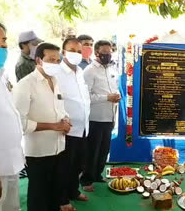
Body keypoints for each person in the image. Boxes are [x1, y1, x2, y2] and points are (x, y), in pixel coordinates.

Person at [13, 43, 74, 211]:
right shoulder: (25, 85)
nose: (55, 63)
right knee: (39, 196)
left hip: (59, 148)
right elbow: (20, 123)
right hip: (38, 152)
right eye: (51, 60)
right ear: (39, 60)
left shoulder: (55, 81)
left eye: (57, 60)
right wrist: (53, 126)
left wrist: (66, 120)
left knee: (55, 192)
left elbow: (60, 109)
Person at [81, 40, 121, 192]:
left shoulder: (112, 68)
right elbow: (86, 96)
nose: (108, 55)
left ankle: (97, 174)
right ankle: (86, 180)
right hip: (95, 118)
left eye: (110, 52)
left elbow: (114, 87)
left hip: (109, 116)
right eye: (104, 52)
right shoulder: (89, 71)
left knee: (104, 149)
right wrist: (106, 97)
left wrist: (116, 96)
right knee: (92, 150)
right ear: (96, 53)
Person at [56, 38, 90, 202]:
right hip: (67, 129)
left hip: (83, 127)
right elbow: (55, 100)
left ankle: (73, 191)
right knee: (65, 167)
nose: (76, 54)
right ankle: (62, 200)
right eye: (71, 50)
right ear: (63, 53)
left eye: (78, 51)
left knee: (78, 164)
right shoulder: (57, 73)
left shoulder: (80, 72)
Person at [0, 21, 25, 211]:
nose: (2, 45)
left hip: (11, 161)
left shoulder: (1, 75)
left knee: (11, 207)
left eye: (4, 40)